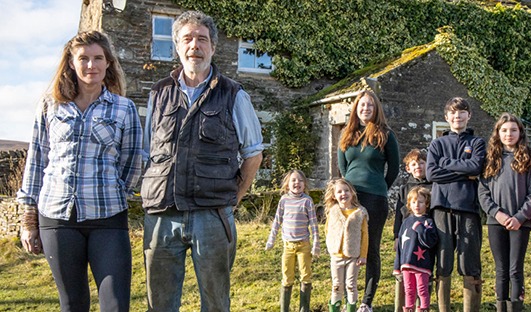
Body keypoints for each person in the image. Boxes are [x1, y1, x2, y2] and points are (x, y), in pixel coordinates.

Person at [141, 11, 264, 312]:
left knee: (215, 302)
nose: (194, 45)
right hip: (162, 213)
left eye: (201, 39)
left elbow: (253, 152)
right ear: (178, 46)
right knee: (160, 302)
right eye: (187, 38)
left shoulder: (234, 94)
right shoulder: (158, 94)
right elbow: (146, 152)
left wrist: (234, 197)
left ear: (212, 47)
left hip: (212, 214)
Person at [17, 30, 143, 312]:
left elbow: (134, 160)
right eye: (83, 58)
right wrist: (29, 219)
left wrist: (116, 190)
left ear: (108, 63)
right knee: (73, 304)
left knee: (116, 304)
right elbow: (37, 159)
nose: (91, 65)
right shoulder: (51, 105)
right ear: (71, 63)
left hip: (108, 218)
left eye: (98, 58)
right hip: (57, 219)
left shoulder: (124, 109)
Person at [337, 89, 400, 312]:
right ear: (356, 108)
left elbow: (394, 168)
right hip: (350, 200)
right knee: (346, 249)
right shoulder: (347, 133)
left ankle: (366, 301)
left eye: (370, 106)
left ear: (376, 109)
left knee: (371, 248)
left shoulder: (385, 134)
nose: (366, 109)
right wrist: (349, 192)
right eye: (362, 105)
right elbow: (343, 168)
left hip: (375, 199)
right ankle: (347, 299)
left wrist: (379, 186)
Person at [426, 97, 486, 312]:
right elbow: (431, 173)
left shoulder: (477, 142)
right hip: (441, 206)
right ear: (446, 117)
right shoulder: (437, 143)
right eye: (453, 112)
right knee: (443, 259)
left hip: (468, 206)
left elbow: (475, 167)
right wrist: (463, 172)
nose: (457, 116)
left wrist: (445, 164)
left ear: (469, 115)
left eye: (462, 112)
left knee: (469, 258)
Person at [478, 113, 531, 312]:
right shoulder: (490, 159)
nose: (509, 134)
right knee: (501, 269)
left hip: (521, 223)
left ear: (520, 132)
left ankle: (516, 307)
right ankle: (500, 307)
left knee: (515, 269)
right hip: (496, 221)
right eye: (504, 130)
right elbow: (483, 191)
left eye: (513, 130)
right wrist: (498, 214)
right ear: (498, 133)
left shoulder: (530, 159)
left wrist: (520, 217)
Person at [266, 170, 321, 312]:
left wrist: (316, 244)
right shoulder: (284, 200)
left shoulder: (307, 201)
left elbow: (314, 224)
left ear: (305, 184)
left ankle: (304, 309)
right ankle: (284, 309)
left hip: (304, 245)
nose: (297, 183)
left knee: (306, 275)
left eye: (300, 180)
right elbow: (277, 221)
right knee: (287, 277)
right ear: (287, 184)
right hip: (288, 246)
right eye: (293, 180)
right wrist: (271, 240)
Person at [393, 149, 432, 312]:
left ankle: (423, 307)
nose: (418, 167)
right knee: (405, 277)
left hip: (424, 240)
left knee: (424, 277)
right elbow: (398, 214)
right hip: (407, 240)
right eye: (414, 164)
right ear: (408, 168)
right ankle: (403, 306)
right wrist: (396, 236)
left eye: (422, 163)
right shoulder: (404, 189)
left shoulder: (433, 186)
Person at [324, 178, 369, 312]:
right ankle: (335, 308)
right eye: (339, 192)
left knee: (351, 285)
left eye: (346, 190)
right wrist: (331, 247)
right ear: (334, 195)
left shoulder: (360, 213)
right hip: (336, 256)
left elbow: (365, 235)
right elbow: (327, 230)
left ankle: (351, 308)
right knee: (337, 285)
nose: (343, 194)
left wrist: (363, 255)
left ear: (352, 192)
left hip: (352, 257)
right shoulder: (333, 211)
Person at [393, 186, 438, 312]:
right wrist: (397, 266)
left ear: (427, 204)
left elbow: (430, 242)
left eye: (420, 202)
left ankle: (423, 308)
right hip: (406, 264)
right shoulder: (406, 222)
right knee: (408, 290)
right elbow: (400, 247)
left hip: (422, 264)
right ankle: (409, 309)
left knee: (422, 289)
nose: (417, 205)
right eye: (413, 202)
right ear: (409, 204)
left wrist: (420, 229)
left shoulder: (428, 222)